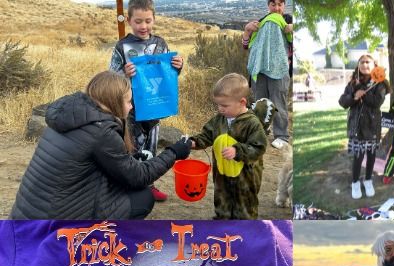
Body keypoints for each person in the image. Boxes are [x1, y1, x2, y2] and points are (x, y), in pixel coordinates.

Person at [10, 71, 188, 219]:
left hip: (28, 213)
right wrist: (173, 152)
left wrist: (131, 158)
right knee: (143, 197)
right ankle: (102, 245)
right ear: (114, 102)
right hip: (56, 223)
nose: (131, 107)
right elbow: (138, 177)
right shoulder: (101, 132)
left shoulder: (71, 118)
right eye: (128, 101)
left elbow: (92, 161)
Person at [109, 0, 184, 202]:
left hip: (154, 108)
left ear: (154, 19)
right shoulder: (122, 46)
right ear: (129, 20)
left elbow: (167, 75)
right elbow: (110, 78)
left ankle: (148, 186)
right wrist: (124, 73)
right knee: (131, 147)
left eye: (148, 21)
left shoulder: (160, 43)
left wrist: (178, 66)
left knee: (151, 146)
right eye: (138, 21)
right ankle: (129, 186)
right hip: (130, 108)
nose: (144, 26)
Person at [185, 73, 269, 219]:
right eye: (218, 104)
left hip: (245, 178)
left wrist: (238, 151)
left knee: (244, 207)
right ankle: (222, 224)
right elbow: (207, 135)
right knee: (222, 200)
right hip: (221, 175)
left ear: (242, 102)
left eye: (224, 105)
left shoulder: (252, 123)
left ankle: (245, 230)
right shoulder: (219, 120)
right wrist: (193, 142)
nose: (220, 109)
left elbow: (259, 147)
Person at [340, 55, 388, 199]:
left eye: (368, 62)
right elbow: (343, 101)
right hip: (357, 127)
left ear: (374, 65)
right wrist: (354, 96)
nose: (365, 64)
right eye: (362, 62)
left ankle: (368, 180)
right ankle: (355, 182)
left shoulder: (380, 84)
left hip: (372, 127)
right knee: (358, 157)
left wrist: (364, 95)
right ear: (358, 64)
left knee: (371, 156)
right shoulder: (353, 83)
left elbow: (377, 102)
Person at [246, 0, 291, 150]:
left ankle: (282, 136)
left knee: (278, 103)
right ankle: (261, 131)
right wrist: (247, 30)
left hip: (279, 71)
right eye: (273, 4)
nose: (277, 8)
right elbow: (246, 45)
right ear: (268, 6)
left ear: (284, 5)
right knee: (261, 102)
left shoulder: (289, 21)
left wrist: (294, 30)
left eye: (280, 4)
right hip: (261, 69)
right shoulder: (262, 22)